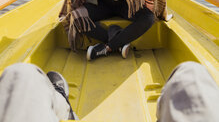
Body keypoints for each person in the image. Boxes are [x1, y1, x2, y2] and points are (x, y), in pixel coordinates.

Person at [0, 62, 218, 122]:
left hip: (127, 13)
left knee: (20, 74)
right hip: (102, 11)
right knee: (192, 73)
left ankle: (61, 103)